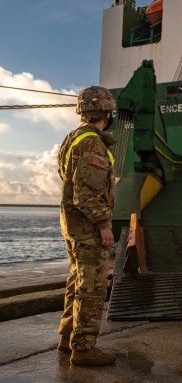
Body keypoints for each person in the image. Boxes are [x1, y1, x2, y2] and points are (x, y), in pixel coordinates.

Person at [57, 86, 117, 366]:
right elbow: (85, 193)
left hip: (71, 224)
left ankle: (67, 338)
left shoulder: (72, 138)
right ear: (105, 112)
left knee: (76, 282)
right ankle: (83, 349)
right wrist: (104, 224)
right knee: (92, 288)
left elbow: (70, 183)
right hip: (87, 226)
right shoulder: (92, 142)